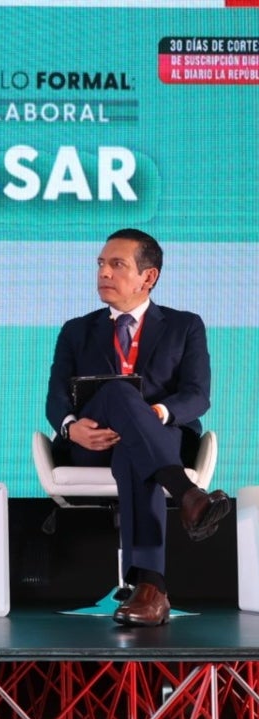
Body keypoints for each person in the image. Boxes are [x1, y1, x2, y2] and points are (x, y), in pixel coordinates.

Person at [46, 228, 230, 627]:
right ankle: (189, 497)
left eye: (117, 264)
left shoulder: (185, 326)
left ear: (149, 277)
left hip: (158, 441)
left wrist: (155, 415)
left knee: (134, 438)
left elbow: (197, 395)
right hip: (92, 444)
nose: (104, 273)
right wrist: (71, 428)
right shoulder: (77, 330)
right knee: (116, 396)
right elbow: (55, 399)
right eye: (101, 264)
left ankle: (150, 589)